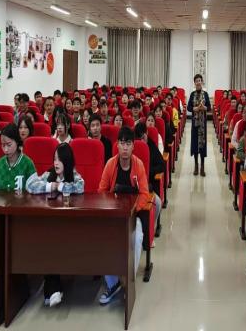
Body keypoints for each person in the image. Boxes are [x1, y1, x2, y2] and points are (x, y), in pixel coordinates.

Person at [25, 142, 84, 307]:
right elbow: (30, 185)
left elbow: (80, 186)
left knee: (51, 243)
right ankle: (53, 289)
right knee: (47, 242)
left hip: (68, 226)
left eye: (59, 160)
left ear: (67, 160)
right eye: (54, 159)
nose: (56, 163)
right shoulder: (49, 174)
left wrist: (62, 186)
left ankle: (51, 289)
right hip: (49, 225)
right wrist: (52, 185)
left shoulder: (74, 175)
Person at [97, 127, 151, 305]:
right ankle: (113, 284)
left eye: (128, 143)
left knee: (137, 238)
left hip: (134, 214)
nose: (125, 147)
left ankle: (128, 280)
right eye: (122, 143)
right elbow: (101, 191)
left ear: (133, 146)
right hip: (114, 214)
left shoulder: (138, 165)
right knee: (103, 237)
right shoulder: (110, 164)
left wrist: (132, 210)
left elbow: (144, 194)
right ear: (117, 145)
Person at [0, 123, 37, 192]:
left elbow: (34, 188)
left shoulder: (28, 164)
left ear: (17, 142)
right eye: (3, 145)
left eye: (9, 145)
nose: (6, 149)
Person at [134, 123, 163, 225]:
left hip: (148, 184)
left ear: (147, 133)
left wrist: (149, 171)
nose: (142, 141)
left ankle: (151, 228)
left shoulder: (151, 145)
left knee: (157, 203)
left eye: (143, 137)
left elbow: (162, 165)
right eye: (139, 138)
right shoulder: (133, 147)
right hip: (131, 186)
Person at [187, 73, 211, 177]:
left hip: (202, 124)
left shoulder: (205, 94)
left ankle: (202, 166)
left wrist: (204, 108)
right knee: (195, 144)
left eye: (199, 80)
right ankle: (196, 165)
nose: (198, 82)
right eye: (196, 81)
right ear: (194, 83)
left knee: (202, 144)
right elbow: (188, 107)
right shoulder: (192, 94)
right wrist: (195, 109)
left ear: (202, 82)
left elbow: (209, 107)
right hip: (195, 123)